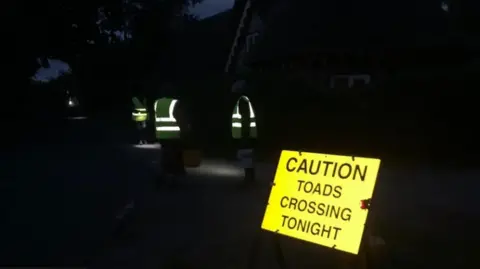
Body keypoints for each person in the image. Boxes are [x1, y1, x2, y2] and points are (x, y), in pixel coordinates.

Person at [154, 96, 188, 186]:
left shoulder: (157, 103)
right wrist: (185, 130)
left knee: (165, 154)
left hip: (161, 134)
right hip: (173, 135)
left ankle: (164, 176)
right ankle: (173, 178)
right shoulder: (174, 103)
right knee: (174, 155)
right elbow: (180, 118)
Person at [231, 80, 258, 184]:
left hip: (245, 135)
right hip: (247, 134)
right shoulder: (246, 101)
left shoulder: (242, 102)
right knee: (247, 156)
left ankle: (249, 179)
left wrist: (244, 135)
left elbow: (245, 120)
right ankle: (249, 178)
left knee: (246, 157)